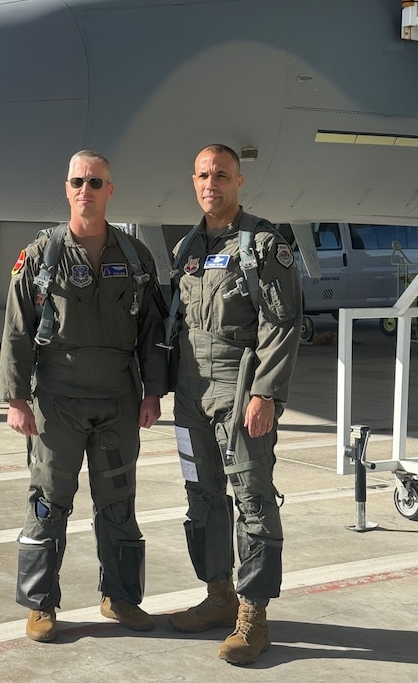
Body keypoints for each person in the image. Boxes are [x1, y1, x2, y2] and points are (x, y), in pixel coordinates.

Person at [0, 149, 168, 643]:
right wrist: (16, 398)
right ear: (67, 187)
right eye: (78, 181)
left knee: (118, 502)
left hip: (118, 399)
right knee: (48, 502)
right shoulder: (41, 254)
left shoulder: (134, 256)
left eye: (96, 182)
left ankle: (121, 597)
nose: (86, 190)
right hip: (58, 400)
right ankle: (40, 604)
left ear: (110, 190)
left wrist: (153, 392)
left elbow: (152, 331)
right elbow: (17, 329)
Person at [167, 144, 302, 665]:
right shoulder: (186, 248)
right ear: (193, 181)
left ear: (238, 182)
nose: (211, 183)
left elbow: (282, 324)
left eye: (221, 175)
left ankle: (253, 614)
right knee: (201, 496)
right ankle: (218, 595)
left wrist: (266, 392)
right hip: (190, 395)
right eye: (203, 175)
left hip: (240, 391)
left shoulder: (262, 245)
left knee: (252, 499)